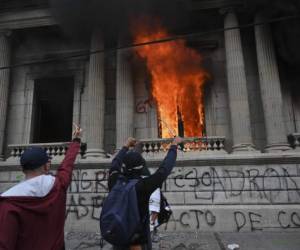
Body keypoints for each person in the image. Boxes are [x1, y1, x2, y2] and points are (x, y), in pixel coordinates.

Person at [0, 124, 82, 250]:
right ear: (47, 166)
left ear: (22, 169)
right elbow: (67, 164)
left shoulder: (9, 204)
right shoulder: (59, 186)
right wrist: (76, 140)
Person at [108, 136, 183, 250]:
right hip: (138, 242)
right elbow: (164, 169)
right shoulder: (143, 186)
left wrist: (125, 146)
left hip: (119, 239)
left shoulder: (114, 182)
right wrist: (173, 146)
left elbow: (115, 164)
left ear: (124, 167)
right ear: (141, 167)